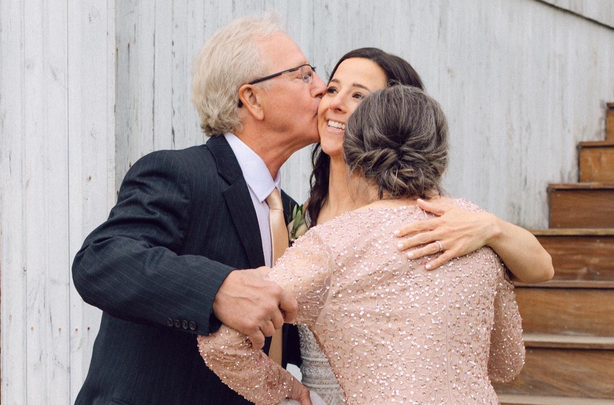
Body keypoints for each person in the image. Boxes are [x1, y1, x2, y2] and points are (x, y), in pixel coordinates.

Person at [198, 84, 525, 405]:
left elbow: (222, 344)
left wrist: (286, 391)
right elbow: (507, 363)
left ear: (354, 153)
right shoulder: (476, 228)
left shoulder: (331, 242)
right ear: (440, 154)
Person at [71, 16, 323, 404]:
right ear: (252, 99)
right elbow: (100, 260)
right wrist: (218, 289)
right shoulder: (180, 174)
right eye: (303, 75)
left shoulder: (293, 215)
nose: (321, 88)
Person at [296, 48, 554, 404]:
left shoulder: (429, 213)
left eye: (358, 96)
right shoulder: (301, 216)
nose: (336, 104)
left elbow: (542, 268)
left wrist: (492, 228)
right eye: (332, 89)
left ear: (394, 116)